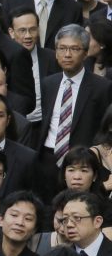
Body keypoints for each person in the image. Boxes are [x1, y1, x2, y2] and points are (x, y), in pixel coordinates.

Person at [38, 24, 112, 202]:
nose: (67, 54)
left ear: (85, 53)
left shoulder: (101, 87)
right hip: (47, 157)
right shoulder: (48, 83)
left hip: (81, 161)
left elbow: (103, 128)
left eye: (74, 49)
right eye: (62, 48)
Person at [2, 0, 83, 51]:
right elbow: (6, 39)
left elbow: (76, 44)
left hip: (57, 67)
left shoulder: (73, 9)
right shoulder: (12, 1)